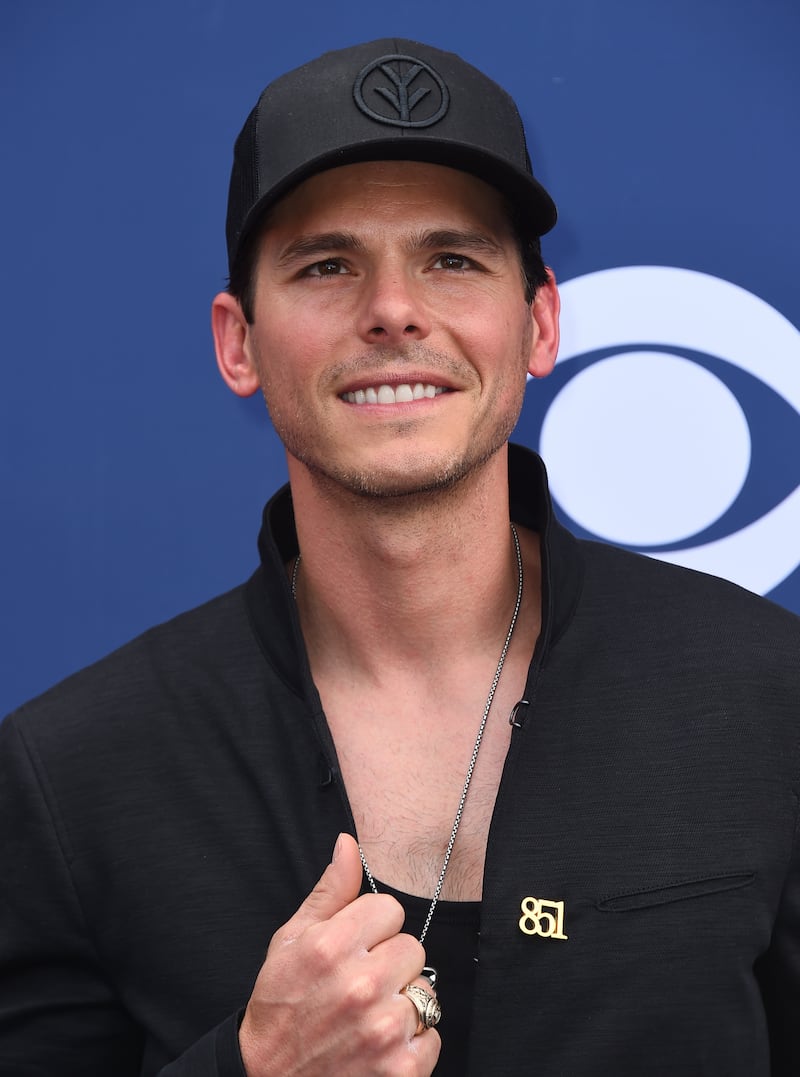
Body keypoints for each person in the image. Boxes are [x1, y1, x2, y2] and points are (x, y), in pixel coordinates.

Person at [1, 37, 799, 1077]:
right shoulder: (71, 775)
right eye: (326, 265)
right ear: (237, 341)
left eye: (451, 259)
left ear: (539, 324)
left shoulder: (766, 694)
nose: (392, 310)